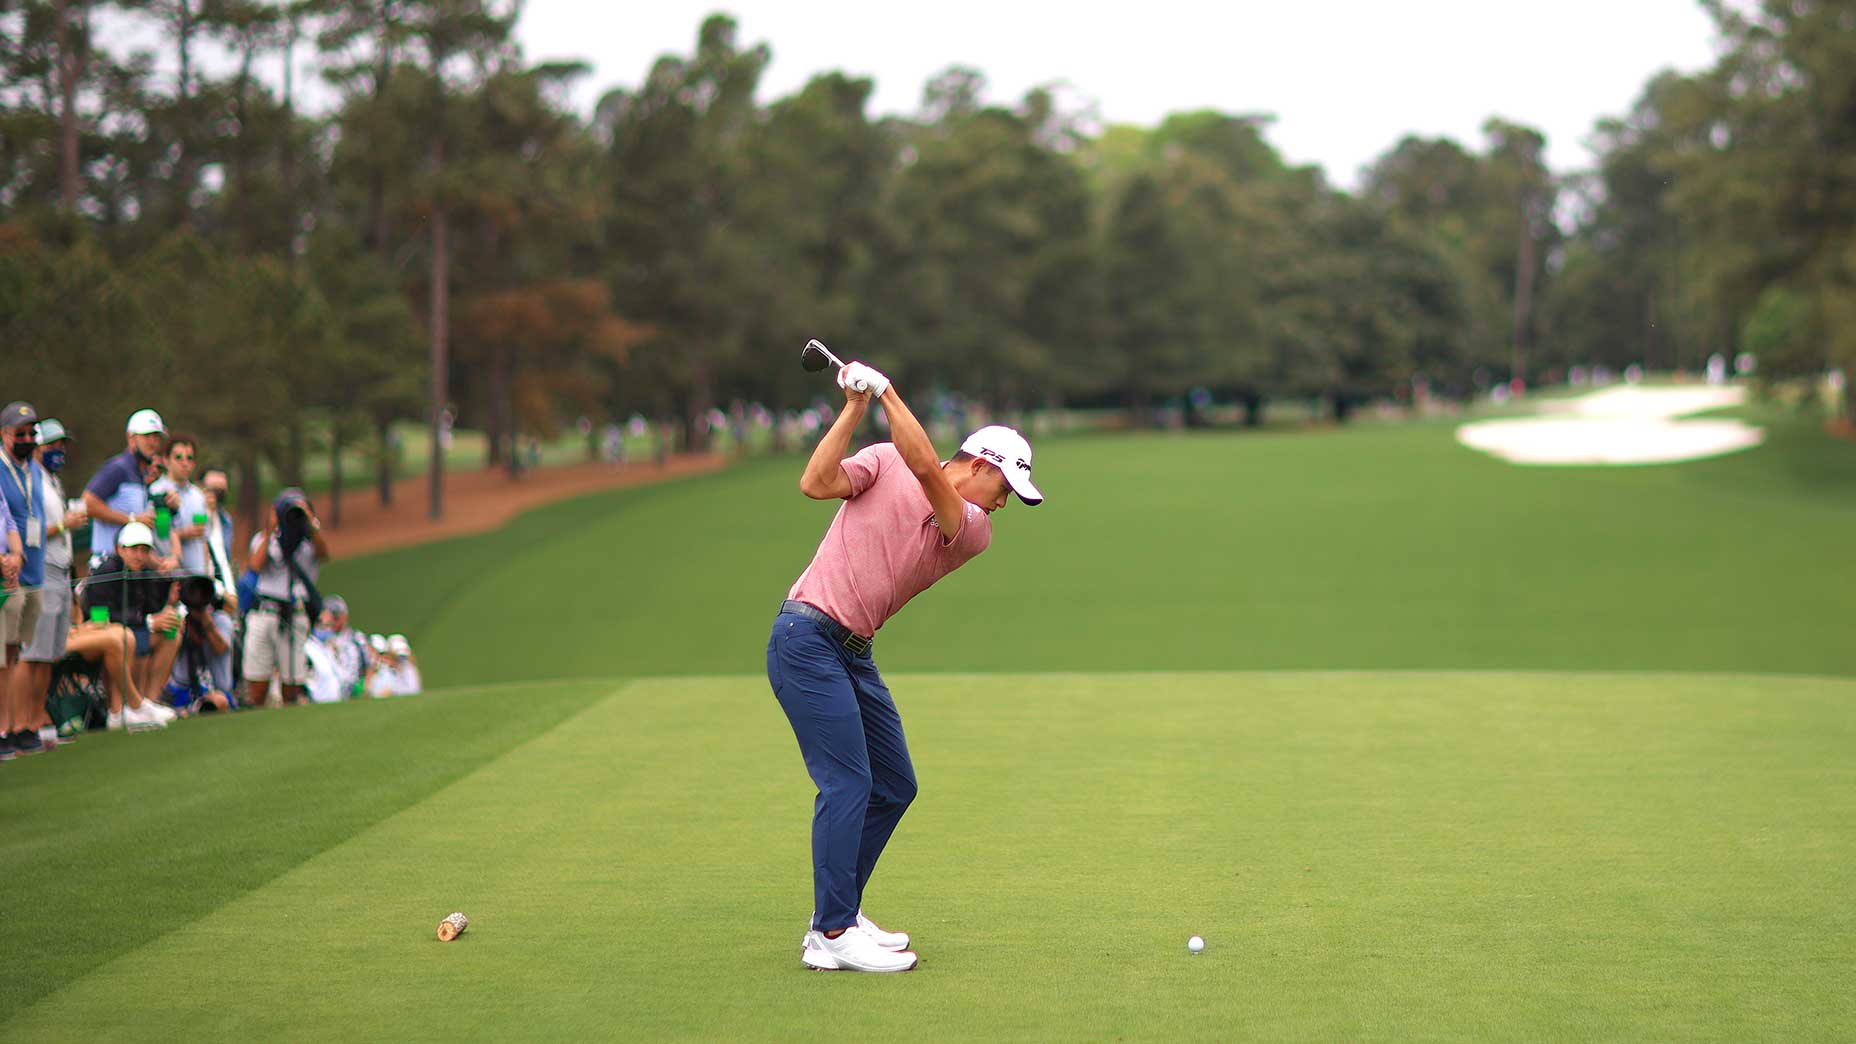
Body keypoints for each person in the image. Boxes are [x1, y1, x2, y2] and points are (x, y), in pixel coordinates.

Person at [770, 360, 1044, 973]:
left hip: (852, 653)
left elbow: (924, 466)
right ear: (980, 466)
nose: (1003, 506)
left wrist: (888, 390)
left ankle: (835, 915)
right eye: (1005, 490)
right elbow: (816, 483)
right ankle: (834, 931)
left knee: (894, 785)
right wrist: (855, 408)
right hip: (805, 637)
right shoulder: (884, 459)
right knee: (847, 784)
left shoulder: (970, 528)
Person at [21, 419, 87, 742]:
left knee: (49, 654)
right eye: (52, 445)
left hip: (60, 570)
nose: (58, 451)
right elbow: (27, 532)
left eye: (62, 445)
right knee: (33, 653)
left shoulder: (53, 482)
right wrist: (64, 525)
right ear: (36, 447)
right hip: (41, 570)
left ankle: (37, 719)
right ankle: (23, 723)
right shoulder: (31, 481)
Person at [80, 522, 178, 730]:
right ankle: (118, 709)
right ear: (120, 549)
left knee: (172, 633)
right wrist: (147, 621)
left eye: (144, 550)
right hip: (99, 636)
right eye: (134, 549)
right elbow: (101, 614)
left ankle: (146, 701)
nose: (139, 555)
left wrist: (166, 587)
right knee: (129, 637)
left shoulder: (142, 572)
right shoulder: (106, 571)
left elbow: (151, 606)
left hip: (130, 630)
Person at [243, 488, 329, 708]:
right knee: (257, 686)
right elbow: (255, 565)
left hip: (295, 613)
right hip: (265, 611)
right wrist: (271, 529)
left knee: (292, 685)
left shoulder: (310, 542)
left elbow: (324, 554)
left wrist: (310, 524)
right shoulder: (265, 539)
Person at [0, 402, 50, 755]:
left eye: (33, 433)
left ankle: (21, 726)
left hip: (30, 570)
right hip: (8, 577)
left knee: (19, 652)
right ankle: (9, 727)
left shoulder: (33, 466)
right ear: (4, 434)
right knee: (5, 654)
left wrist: (18, 555)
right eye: (21, 433)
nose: (28, 438)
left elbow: (17, 521)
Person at [83, 408, 166, 570]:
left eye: (156, 437)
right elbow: (88, 503)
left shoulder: (141, 474)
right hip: (106, 563)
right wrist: (133, 519)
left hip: (128, 568)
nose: (153, 442)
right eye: (146, 436)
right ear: (131, 438)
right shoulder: (117, 468)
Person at [163, 575, 233, 714]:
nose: (197, 597)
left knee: (218, 702)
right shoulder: (178, 620)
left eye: (201, 592)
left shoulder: (220, 620)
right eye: (192, 591)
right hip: (182, 690)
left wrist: (205, 620)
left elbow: (220, 648)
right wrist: (170, 605)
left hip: (216, 691)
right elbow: (163, 659)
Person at [149, 432, 209, 577]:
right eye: (178, 457)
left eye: (189, 458)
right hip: (167, 574)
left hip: (196, 575)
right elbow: (158, 534)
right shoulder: (155, 491)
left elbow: (204, 539)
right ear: (166, 460)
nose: (185, 463)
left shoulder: (198, 495)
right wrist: (183, 533)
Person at [314, 596, 369, 699]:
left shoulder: (357, 638)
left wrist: (364, 688)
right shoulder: (322, 639)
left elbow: (368, 665)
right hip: (328, 693)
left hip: (352, 691)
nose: (333, 622)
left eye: (336, 617)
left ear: (344, 617)